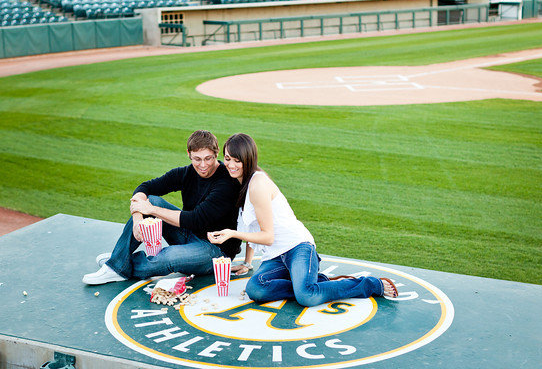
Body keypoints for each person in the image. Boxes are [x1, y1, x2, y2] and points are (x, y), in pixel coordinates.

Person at [207, 133, 398, 307]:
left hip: (298, 247)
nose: (231, 165)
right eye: (228, 158)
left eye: (237, 160)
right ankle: (316, 281)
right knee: (256, 289)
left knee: (306, 296)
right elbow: (252, 225)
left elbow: (267, 236)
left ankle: (370, 284)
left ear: (248, 160)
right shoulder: (240, 182)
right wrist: (248, 263)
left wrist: (232, 233)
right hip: (275, 256)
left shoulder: (257, 184)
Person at [83, 130, 241, 285]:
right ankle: (117, 264)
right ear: (188, 154)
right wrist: (138, 218)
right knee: (152, 200)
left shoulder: (226, 183)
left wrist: (151, 210)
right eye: (197, 159)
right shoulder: (187, 173)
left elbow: (195, 219)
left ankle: (119, 262)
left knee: (167, 256)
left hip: (215, 250)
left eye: (208, 158)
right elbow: (145, 187)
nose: (203, 165)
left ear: (217, 152)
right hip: (189, 235)